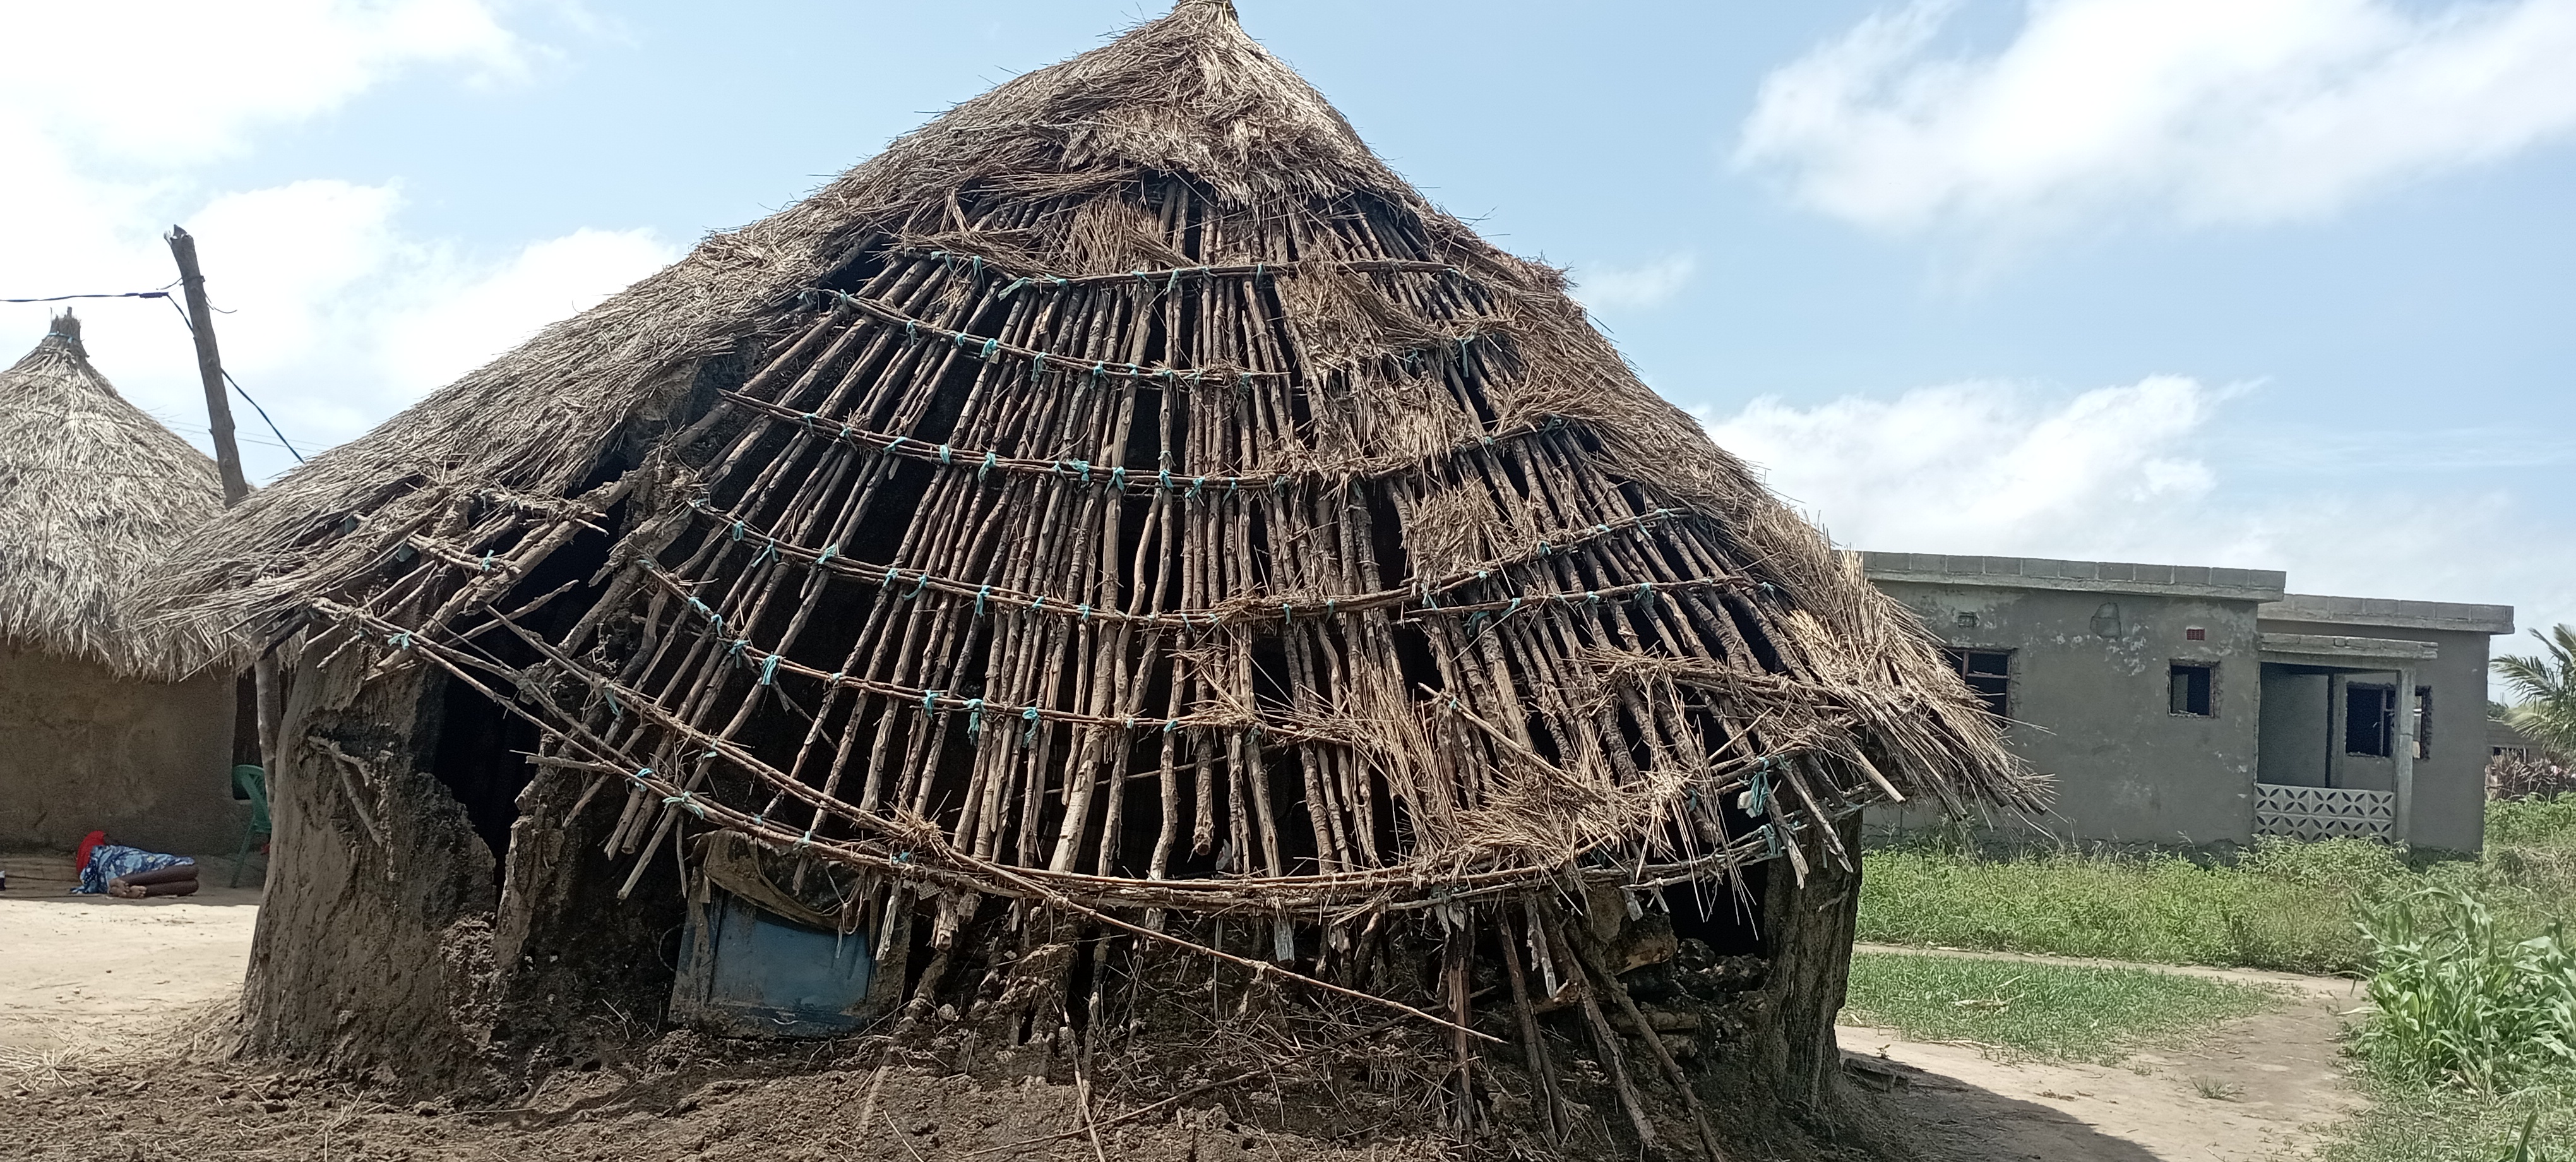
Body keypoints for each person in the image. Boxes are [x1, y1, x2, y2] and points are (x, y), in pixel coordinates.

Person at [71, 830, 200, 898]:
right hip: (115, 860)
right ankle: (124, 880)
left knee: (192, 885)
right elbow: (114, 843)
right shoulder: (94, 837)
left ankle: (136, 889)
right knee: (191, 869)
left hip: (105, 879)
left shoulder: (82, 869)